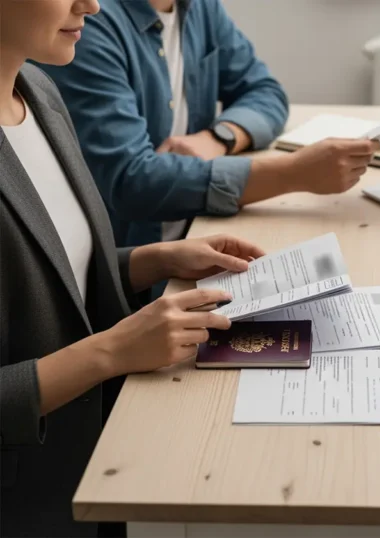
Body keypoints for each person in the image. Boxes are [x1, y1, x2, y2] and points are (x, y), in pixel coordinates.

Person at [0, 0, 271, 535]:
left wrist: (152, 260)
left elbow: (47, 273)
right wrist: (111, 350)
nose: (92, 4)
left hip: (94, 453)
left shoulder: (37, 92)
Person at [40, 0, 380, 252]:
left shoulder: (200, 7)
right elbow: (133, 183)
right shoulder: (87, 22)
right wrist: (292, 174)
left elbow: (266, 92)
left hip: (199, 231)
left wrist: (219, 137)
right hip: (139, 264)